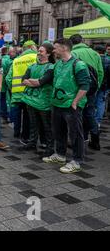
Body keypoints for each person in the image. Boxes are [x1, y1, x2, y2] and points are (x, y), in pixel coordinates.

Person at [43, 39, 91, 174]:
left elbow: (85, 85)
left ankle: (77, 161)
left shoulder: (78, 64)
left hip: (71, 106)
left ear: (64, 48)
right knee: (59, 131)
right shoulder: (58, 64)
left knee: (75, 133)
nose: (53, 50)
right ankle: (60, 155)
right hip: (57, 104)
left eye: (55, 48)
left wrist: (75, 101)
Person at [21, 43, 55, 156]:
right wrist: (35, 82)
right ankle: (32, 142)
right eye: (38, 51)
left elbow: (41, 82)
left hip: (44, 101)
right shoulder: (32, 66)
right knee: (33, 123)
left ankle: (50, 148)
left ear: (48, 54)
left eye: (41, 51)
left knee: (47, 126)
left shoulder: (51, 67)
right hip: (31, 100)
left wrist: (33, 82)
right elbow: (23, 80)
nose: (38, 53)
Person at [71, 35, 104, 151]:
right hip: (92, 89)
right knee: (89, 113)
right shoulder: (94, 53)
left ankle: (79, 139)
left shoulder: (73, 53)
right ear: (83, 41)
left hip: (78, 90)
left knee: (77, 114)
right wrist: (96, 87)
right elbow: (100, 72)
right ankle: (94, 139)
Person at [6, 41, 38, 143]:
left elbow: (8, 78)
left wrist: (12, 89)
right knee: (28, 116)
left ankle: (16, 132)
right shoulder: (37, 58)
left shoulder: (16, 60)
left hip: (17, 93)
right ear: (31, 47)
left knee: (17, 113)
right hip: (31, 92)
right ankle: (26, 137)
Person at [95, 45, 110, 127]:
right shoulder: (108, 60)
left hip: (94, 84)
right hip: (104, 85)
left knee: (93, 103)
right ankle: (97, 122)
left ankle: (92, 121)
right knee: (101, 103)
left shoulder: (95, 59)